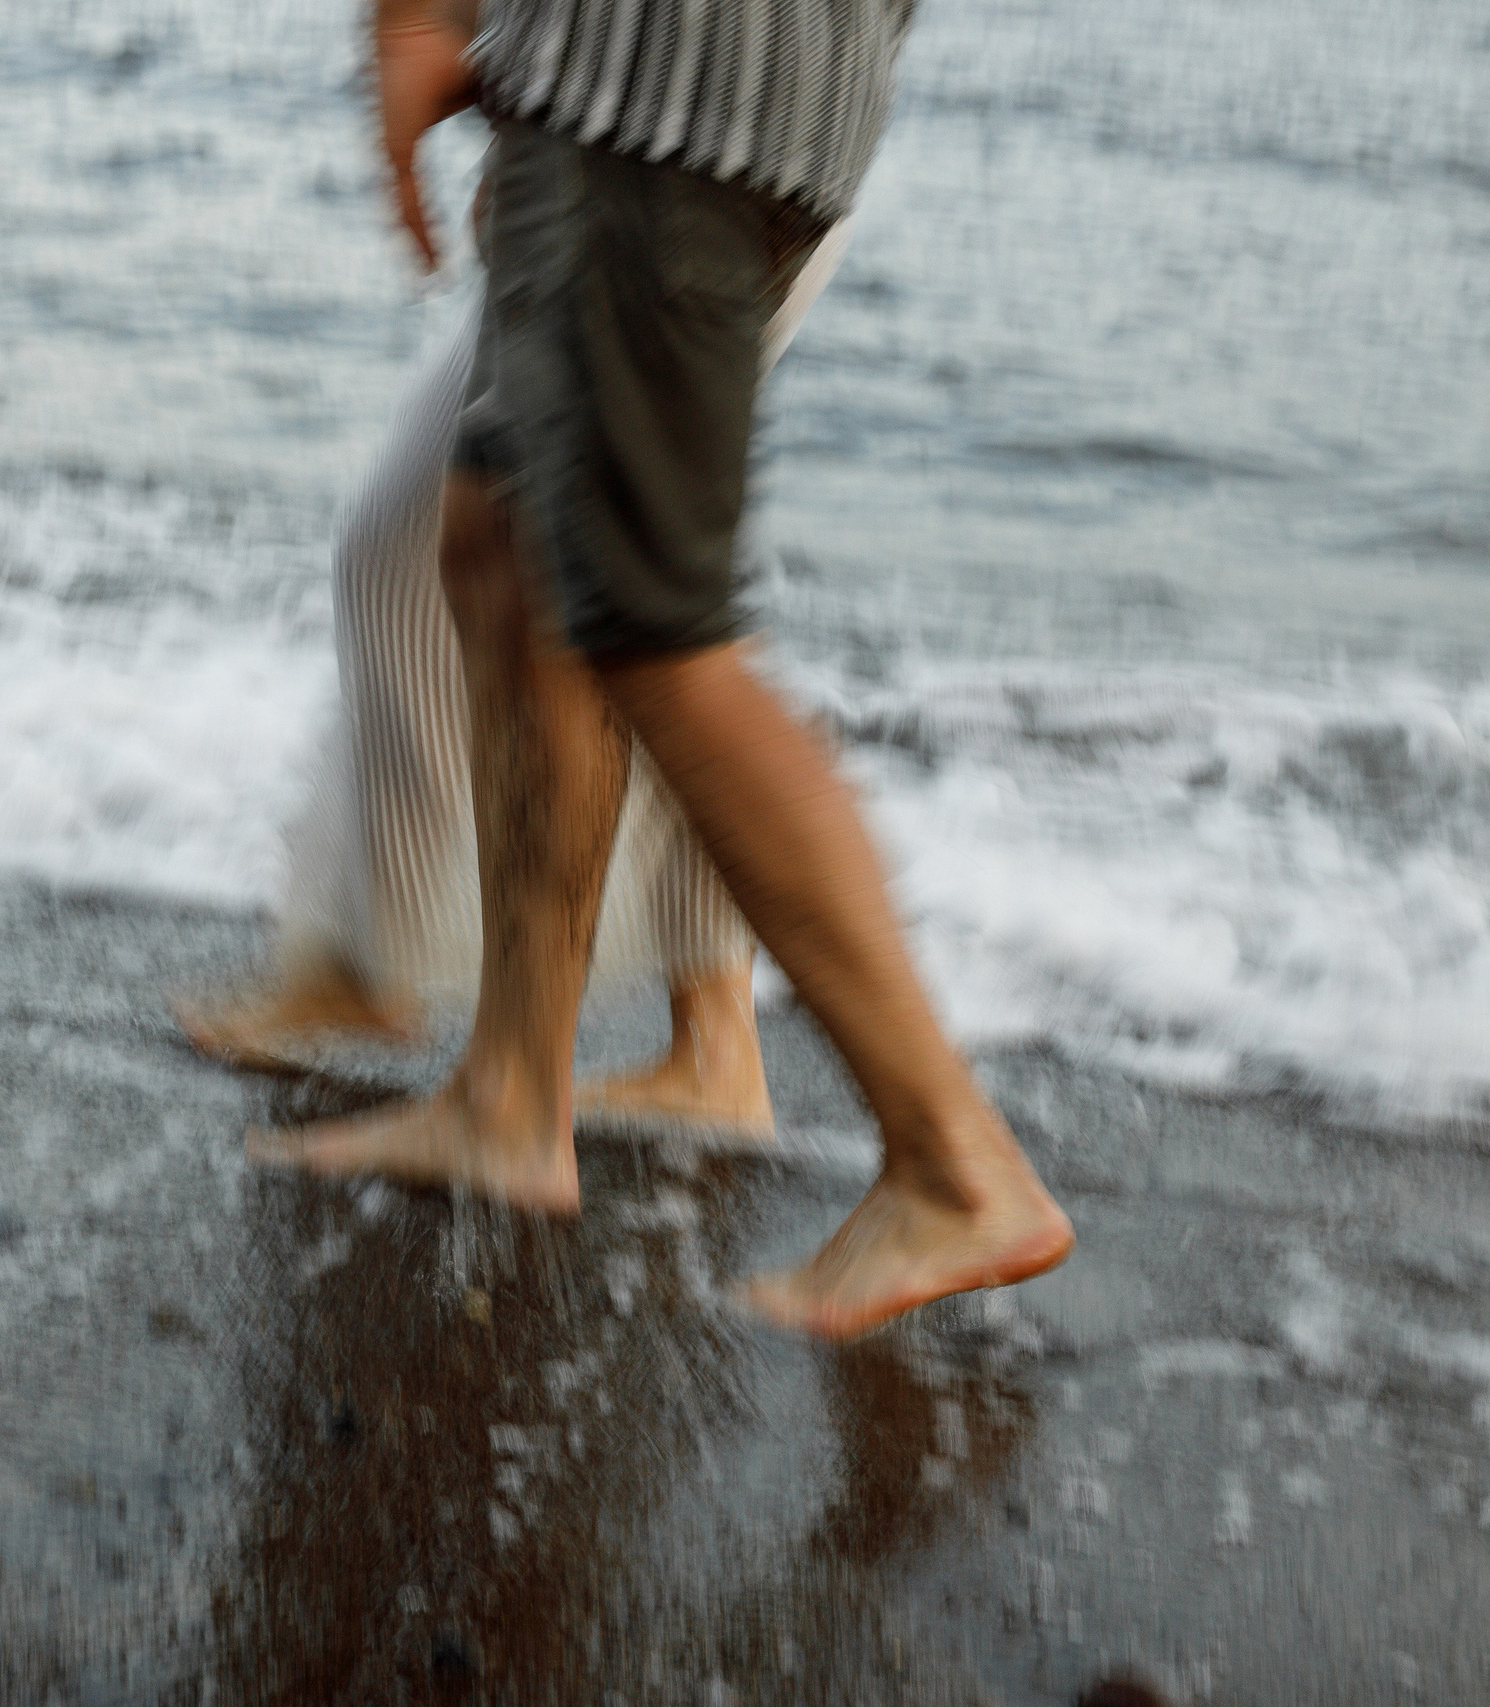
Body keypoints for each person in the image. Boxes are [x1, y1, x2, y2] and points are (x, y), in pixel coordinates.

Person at [254, 0, 1075, 1340]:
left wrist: (428, 22)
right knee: (501, 549)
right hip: (695, 96)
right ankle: (509, 1093)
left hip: (666, 100)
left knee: (659, 637)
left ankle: (953, 1159)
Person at [179, 221, 849, 1140]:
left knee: (451, 559)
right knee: (612, 577)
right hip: (677, 150)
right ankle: (710, 1040)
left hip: (689, 157)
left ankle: (384, 973)